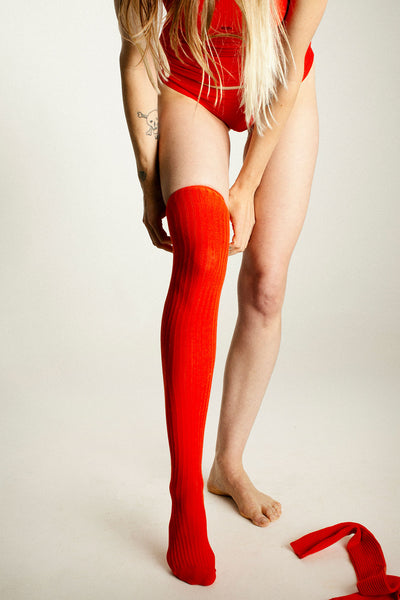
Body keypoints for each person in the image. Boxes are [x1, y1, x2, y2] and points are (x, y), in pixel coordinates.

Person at [114, 0, 328, 586]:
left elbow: (287, 65)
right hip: (193, 86)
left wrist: (246, 185)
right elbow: (136, 56)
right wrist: (149, 180)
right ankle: (185, 496)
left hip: (280, 85)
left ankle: (227, 465)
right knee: (203, 252)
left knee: (266, 287)